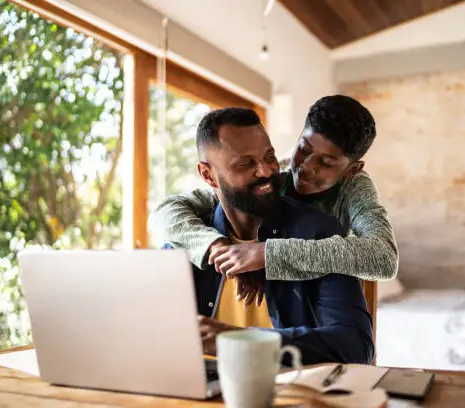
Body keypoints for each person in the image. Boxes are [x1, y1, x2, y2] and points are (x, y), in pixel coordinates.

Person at [149, 95, 398, 304]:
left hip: (318, 304)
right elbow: (165, 211)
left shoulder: (353, 187)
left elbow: (384, 257)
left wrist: (266, 255)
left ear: (352, 169)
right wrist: (221, 248)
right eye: (304, 148)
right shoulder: (272, 173)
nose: (305, 167)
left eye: (326, 162)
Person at [180, 107, 372, 365]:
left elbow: (354, 346)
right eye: (246, 163)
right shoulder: (184, 244)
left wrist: (238, 341)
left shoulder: (317, 232)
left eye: (269, 156)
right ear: (207, 174)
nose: (266, 171)